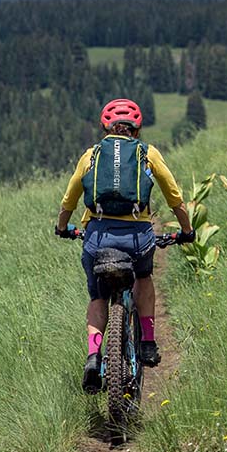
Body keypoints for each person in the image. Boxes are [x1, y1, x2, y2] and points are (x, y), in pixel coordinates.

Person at [55, 97, 195, 394]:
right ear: (137, 128)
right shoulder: (147, 153)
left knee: (98, 296)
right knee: (143, 277)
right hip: (137, 238)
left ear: (106, 127)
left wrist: (62, 227)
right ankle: (148, 342)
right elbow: (175, 197)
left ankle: (94, 356)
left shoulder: (91, 155)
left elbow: (69, 199)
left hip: (98, 238)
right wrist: (187, 230)